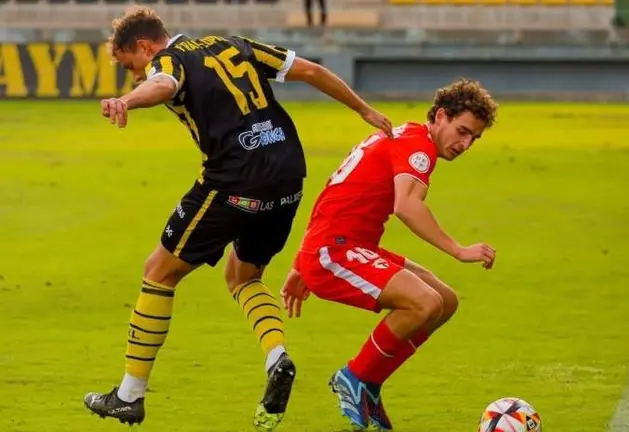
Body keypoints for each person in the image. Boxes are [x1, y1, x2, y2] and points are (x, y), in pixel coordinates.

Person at [83, 6, 393, 430]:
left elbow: (161, 83)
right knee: (244, 276)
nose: (134, 74)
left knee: (157, 272)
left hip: (235, 179)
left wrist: (126, 101)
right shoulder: (233, 44)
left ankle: (129, 395)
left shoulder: (169, 59)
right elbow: (314, 72)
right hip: (288, 174)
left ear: (143, 45)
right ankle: (276, 358)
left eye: (129, 64)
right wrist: (365, 111)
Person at [280, 78, 498, 431]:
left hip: (345, 247)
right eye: (462, 131)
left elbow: (335, 190)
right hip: (336, 249)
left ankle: (370, 386)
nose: (466, 143)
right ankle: (354, 376)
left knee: (445, 300)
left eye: (474, 137)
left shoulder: (406, 135)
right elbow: (407, 206)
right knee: (424, 303)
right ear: (440, 116)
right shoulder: (418, 147)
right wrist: (458, 249)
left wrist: (299, 265)